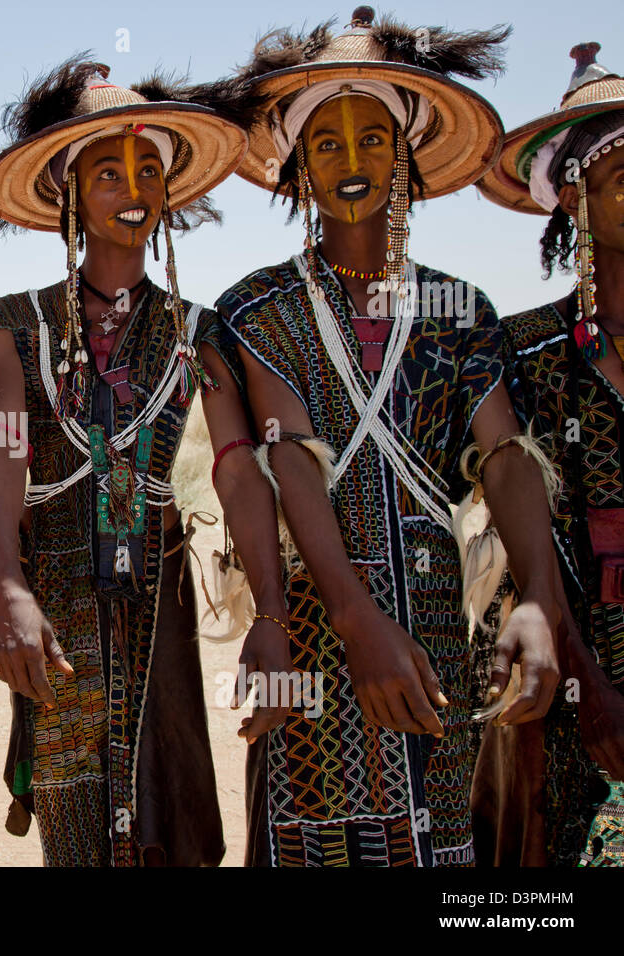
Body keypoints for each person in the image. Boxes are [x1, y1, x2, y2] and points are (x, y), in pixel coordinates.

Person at [217, 7, 564, 867]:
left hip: (435, 615)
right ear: (299, 165)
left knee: (437, 842)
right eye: (326, 144)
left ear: (403, 156)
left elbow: (508, 459)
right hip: (310, 618)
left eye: (373, 138)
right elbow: (286, 461)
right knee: (314, 837)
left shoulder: (458, 311)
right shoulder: (258, 312)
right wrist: (353, 619)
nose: (351, 160)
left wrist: (541, 600)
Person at [0, 54, 261, 866]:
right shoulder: (9, 327)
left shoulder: (197, 333)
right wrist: (5, 586)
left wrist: (267, 611)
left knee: (168, 812)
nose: (132, 188)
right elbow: (2, 446)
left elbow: (237, 467)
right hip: (56, 596)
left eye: (147, 169)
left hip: (159, 600)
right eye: (107, 172)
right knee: (76, 824)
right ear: (68, 192)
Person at [472, 42, 624, 866]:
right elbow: (524, 542)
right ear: (573, 196)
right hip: (572, 673)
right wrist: (589, 688)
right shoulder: (522, 353)